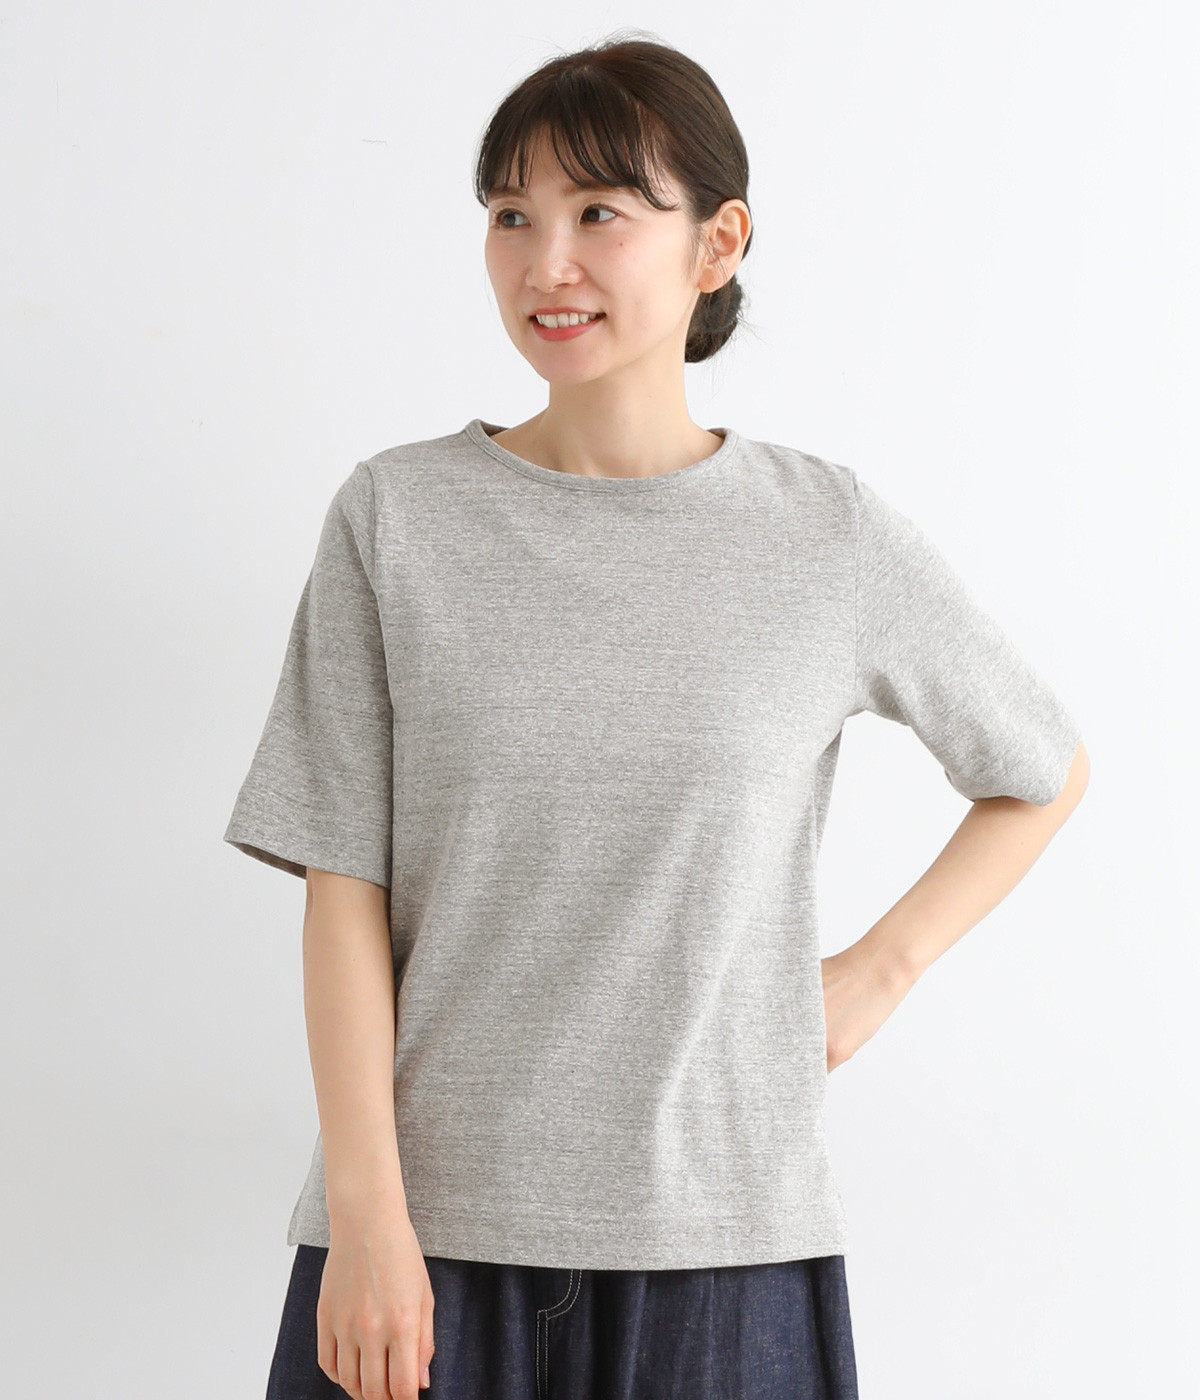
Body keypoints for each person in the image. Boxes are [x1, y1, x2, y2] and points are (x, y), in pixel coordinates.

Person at [223, 32, 1089, 1400]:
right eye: (511, 216)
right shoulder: (396, 518)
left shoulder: (826, 535)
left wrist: (878, 973)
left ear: (717, 243)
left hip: (726, 1249)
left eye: (599, 214)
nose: (544, 263)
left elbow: (1040, 769)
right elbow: (344, 891)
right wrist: (367, 1218)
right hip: (422, 1250)